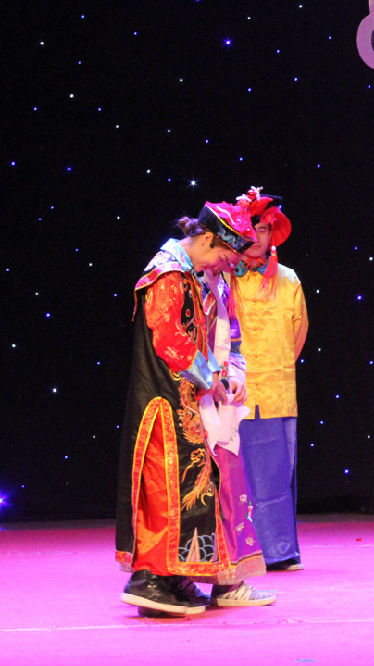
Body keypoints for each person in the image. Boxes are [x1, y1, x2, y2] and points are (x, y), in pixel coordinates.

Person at [116, 201, 259, 616]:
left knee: (186, 485)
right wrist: (210, 376)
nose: (225, 264)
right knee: (165, 485)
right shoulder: (168, 273)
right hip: (161, 400)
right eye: (224, 255)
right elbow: (169, 338)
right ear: (208, 238)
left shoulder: (187, 275)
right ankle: (149, 577)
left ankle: (172, 575)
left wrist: (217, 376)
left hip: (180, 397)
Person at [230, 187, 308, 572]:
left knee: (276, 474)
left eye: (263, 229)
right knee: (234, 472)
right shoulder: (223, 278)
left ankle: (278, 550)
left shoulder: (289, 279)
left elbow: (298, 333)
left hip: (276, 390)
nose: (256, 236)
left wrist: (274, 368)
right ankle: (236, 550)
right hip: (232, 392)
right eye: (250, 229)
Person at [197, 263, 276, 606]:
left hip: (222, 404)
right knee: (206, 492)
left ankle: (229, 582)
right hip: (197, 403)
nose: (237, 260)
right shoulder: (192, 283)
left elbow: (235, 345)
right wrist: (210, 379)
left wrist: (237, 379)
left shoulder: (224, 287)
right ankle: (190, 578)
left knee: (231, 487)